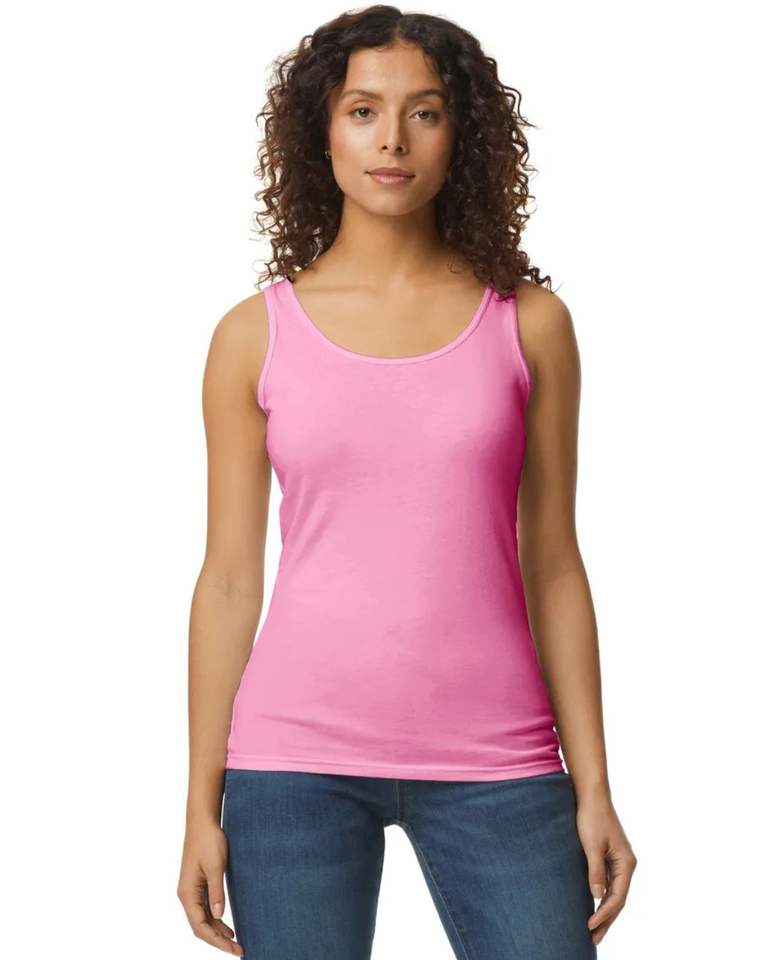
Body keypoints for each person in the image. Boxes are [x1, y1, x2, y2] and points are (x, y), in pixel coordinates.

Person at [177, 7, 637, 958]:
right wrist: (198, 803)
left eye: (424, 112)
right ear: (322, 132)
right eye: (363, 111)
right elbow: (226, 580)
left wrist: (594, 785)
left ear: (461, 135)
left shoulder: (529, 324)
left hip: (500, 758)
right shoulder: (252, 337)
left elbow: (554, 565)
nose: (391, 139)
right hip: (291, 763)